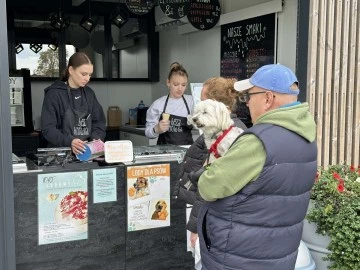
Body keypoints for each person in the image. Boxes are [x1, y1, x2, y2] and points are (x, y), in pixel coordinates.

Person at [196, 64, 317, 270]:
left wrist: (206, 169)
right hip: (279, 254)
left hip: (238, 256)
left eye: (249, 96)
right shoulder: (307, 137)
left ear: (268, 98)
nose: (247, 103)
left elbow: (209, 187)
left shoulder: (258, 141)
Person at [173, 77, 247, 269]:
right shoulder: (213, 131)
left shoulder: (226, 137)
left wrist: (196, 227)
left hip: (211, 219)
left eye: (202, 100)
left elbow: (209, 184)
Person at [41, 52, 106, 155]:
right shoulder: (54, 94)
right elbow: (48, 129)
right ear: (71, 70)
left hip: (86, 154)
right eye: (83, 74)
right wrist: (70, 142)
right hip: (60, 156)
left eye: (90, 75)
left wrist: (95, 141)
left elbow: (99, 123)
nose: (87, 79)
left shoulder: (89, 93)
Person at [145, 62, 194, 145]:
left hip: (187, 152)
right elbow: (148, 133)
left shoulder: (192, 102)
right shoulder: (158, 104)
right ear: (168, 82)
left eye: (183, 85)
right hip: (164, 152)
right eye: (176, 84)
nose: (180, 88)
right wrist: (156, 129)